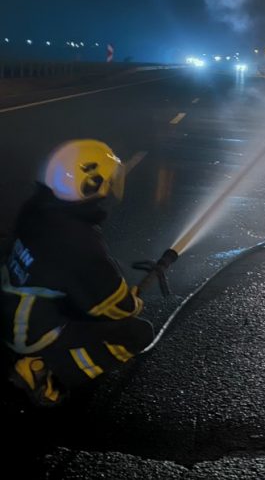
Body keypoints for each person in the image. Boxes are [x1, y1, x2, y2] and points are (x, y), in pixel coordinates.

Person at [2, 140, 154, 407]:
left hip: (10, 309)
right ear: (93, 185)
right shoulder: (77, 240)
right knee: (136, 332)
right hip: (29, 331)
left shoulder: (40, 208)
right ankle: (47, 370)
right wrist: (133, 302)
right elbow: (115, 306)